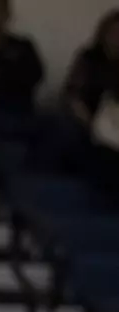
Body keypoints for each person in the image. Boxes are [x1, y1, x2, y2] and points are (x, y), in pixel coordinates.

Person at [63, 10, 119, 190]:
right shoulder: (89, 58)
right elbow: (72, 95)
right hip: (88, 121)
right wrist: (91, 123)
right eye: (113, 33)